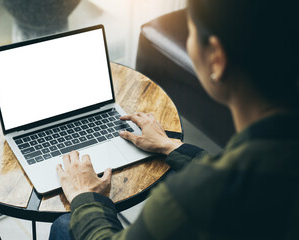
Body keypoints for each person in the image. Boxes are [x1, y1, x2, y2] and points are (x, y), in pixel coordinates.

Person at [49, 0, 299, 239]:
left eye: (189, 31)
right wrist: (172, 146)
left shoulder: (187, 199)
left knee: (64, 224)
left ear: (217, 59)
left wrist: (86, 196)